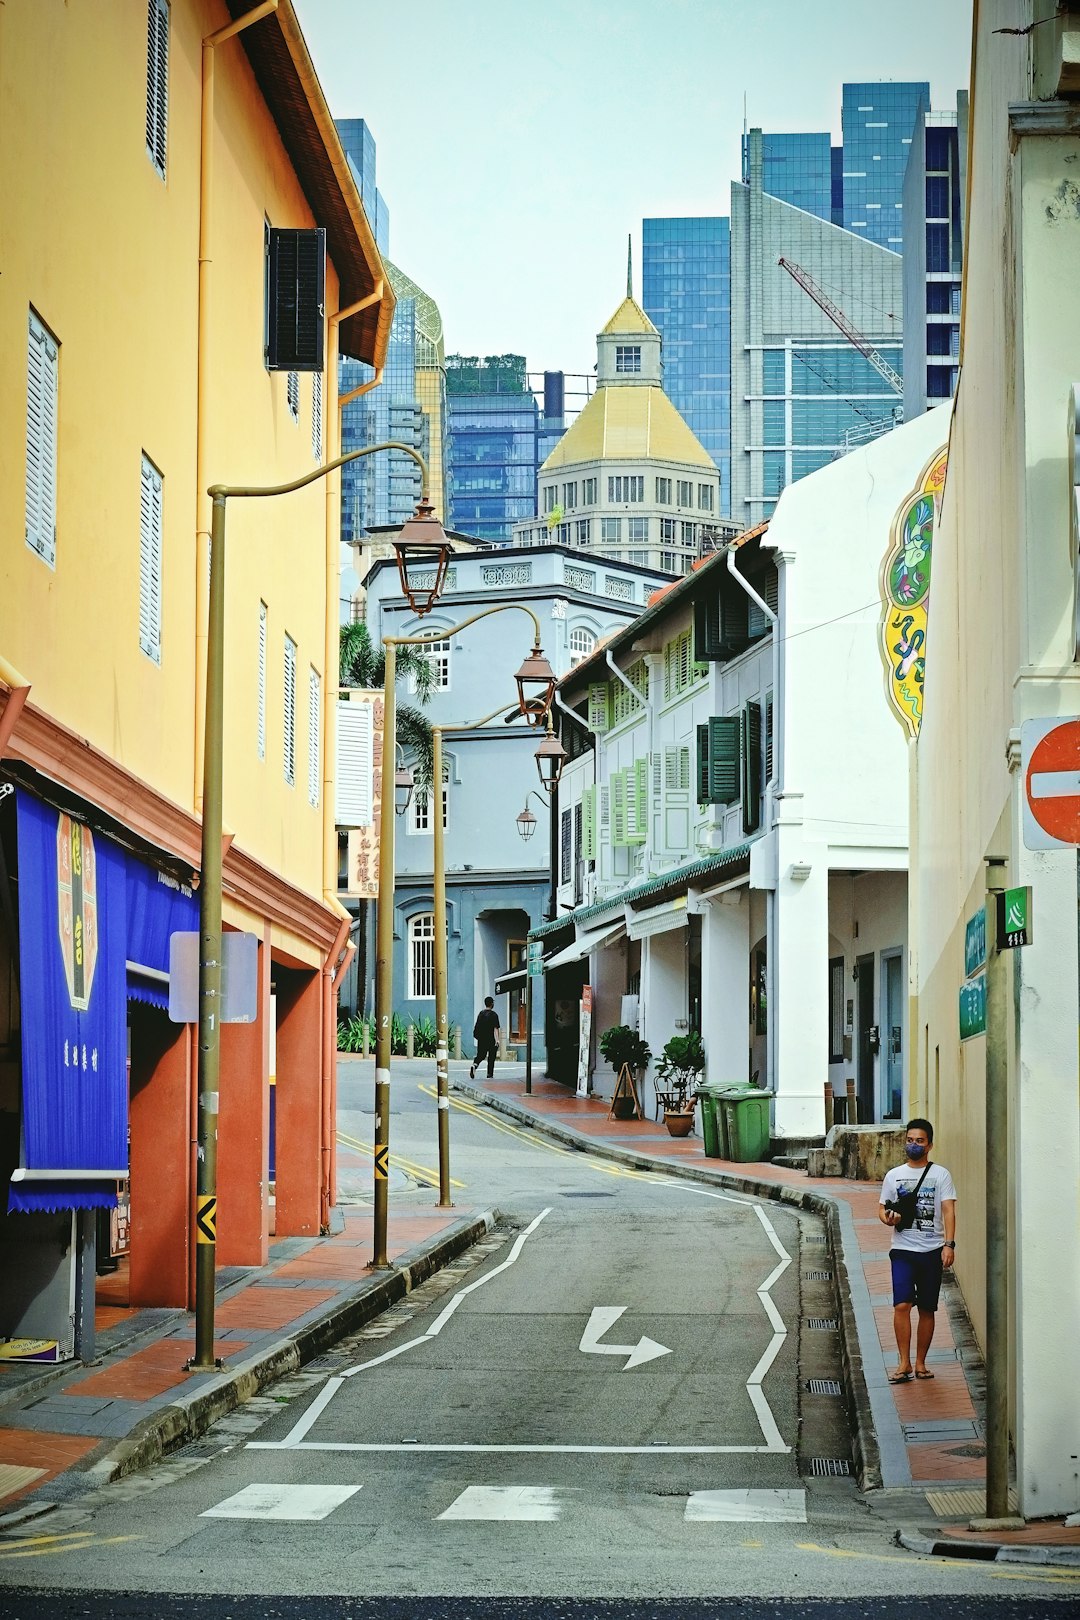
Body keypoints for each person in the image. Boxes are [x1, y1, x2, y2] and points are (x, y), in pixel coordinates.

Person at [879, 1117, 957, 1383]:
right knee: (901, 1304)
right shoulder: (894, 1175)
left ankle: (921, 1363)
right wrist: (887, 1218)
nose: (914, 1145)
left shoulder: (940, 1175)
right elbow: (882, 1208)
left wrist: (949, 1244)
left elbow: (948, 1209)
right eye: (910, 1140)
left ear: (930, 1145)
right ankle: (903, 1363)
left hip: (932, 1250)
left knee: (926, 1308)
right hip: (902, 1250)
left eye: (920, 1141)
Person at [470, 996, 500, 1080]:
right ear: (492, 1004)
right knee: (491, 1057)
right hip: (491, 1039)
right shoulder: (494, 1015)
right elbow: (495, 1028)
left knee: (480, 1055)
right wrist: (497, 1040)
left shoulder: (481, 1014)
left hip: (481, 1039)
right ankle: (489, 1074)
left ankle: (475, 1065)